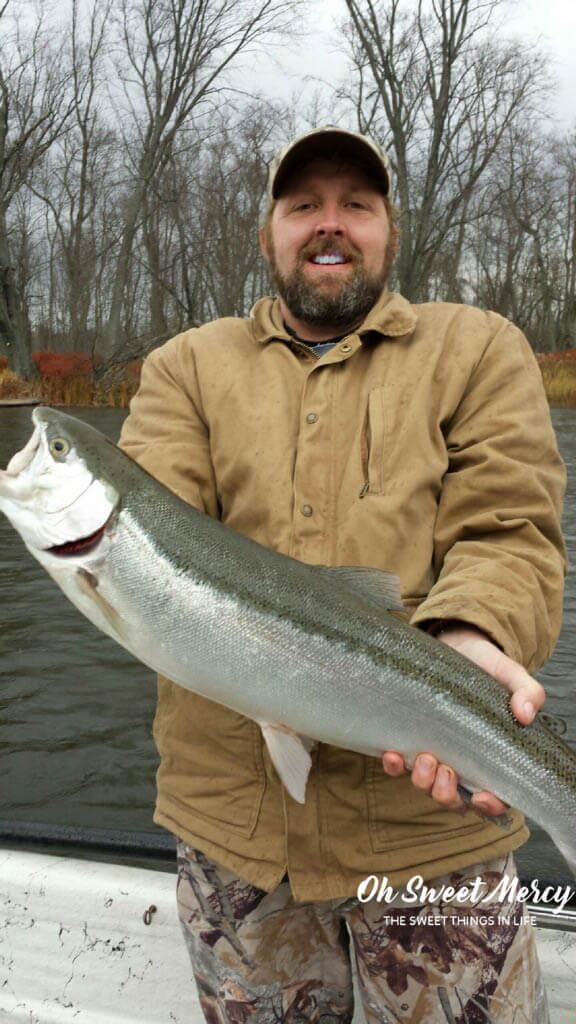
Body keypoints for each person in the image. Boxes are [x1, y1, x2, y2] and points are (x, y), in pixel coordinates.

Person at [119, 126, 566, 1023]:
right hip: (236, 842)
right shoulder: (185, 368)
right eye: (303, 206)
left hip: (433, 830)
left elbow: (509, 527)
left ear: (389, 230)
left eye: (356, 205)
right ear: (270, 234)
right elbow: (150, 535)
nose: (330, 225)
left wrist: (465, 633)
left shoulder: (478, 348)